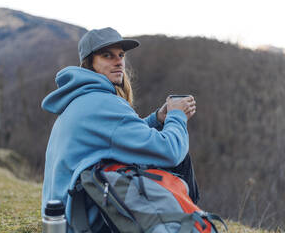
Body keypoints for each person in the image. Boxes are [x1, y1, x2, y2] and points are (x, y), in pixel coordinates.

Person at [41, 27, 197, 231]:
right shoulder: (104, 103)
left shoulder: (80, 100)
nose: (118, 61)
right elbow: (171, 152)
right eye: (107, 55)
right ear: (89, 64)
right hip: (82, 225)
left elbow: (118, 134)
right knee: (180, 159)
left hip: (64, 218)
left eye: (121, 55)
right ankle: (189, 218)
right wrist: (177, 116)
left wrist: (158, 119)